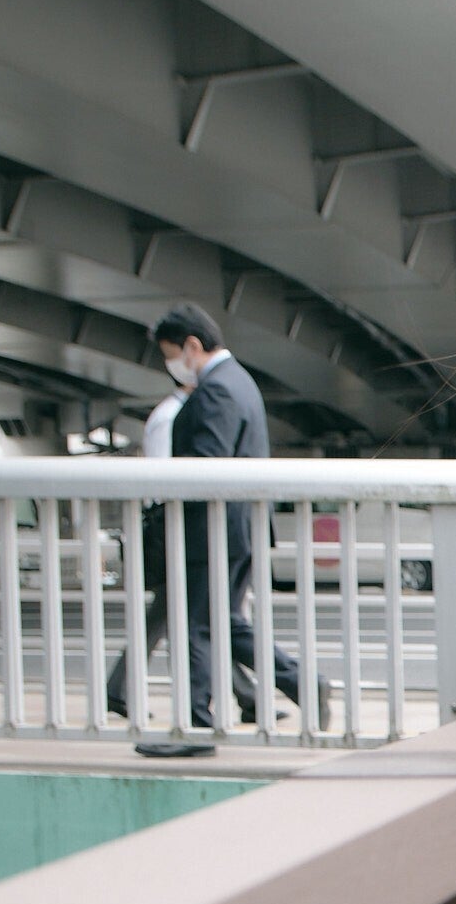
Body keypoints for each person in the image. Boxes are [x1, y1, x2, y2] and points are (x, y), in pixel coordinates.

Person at [155, 303, 330, 733]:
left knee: (197, 626)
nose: (171, 365)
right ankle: (303, 684)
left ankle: (195, 726)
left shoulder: (216, 390)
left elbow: (207, 464)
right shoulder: (239, 381)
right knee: (221, 623)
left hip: (214, 530)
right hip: (237, 528)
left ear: (191, 346)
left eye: (170, 354)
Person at [107, 381, 258, 723]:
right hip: (175, 531)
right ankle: (245, 696)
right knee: (196, 618)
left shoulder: (177, 412)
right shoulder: (172, 415)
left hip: (181, 530)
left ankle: (118, 689)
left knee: (185, 617)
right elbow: (169, 479)